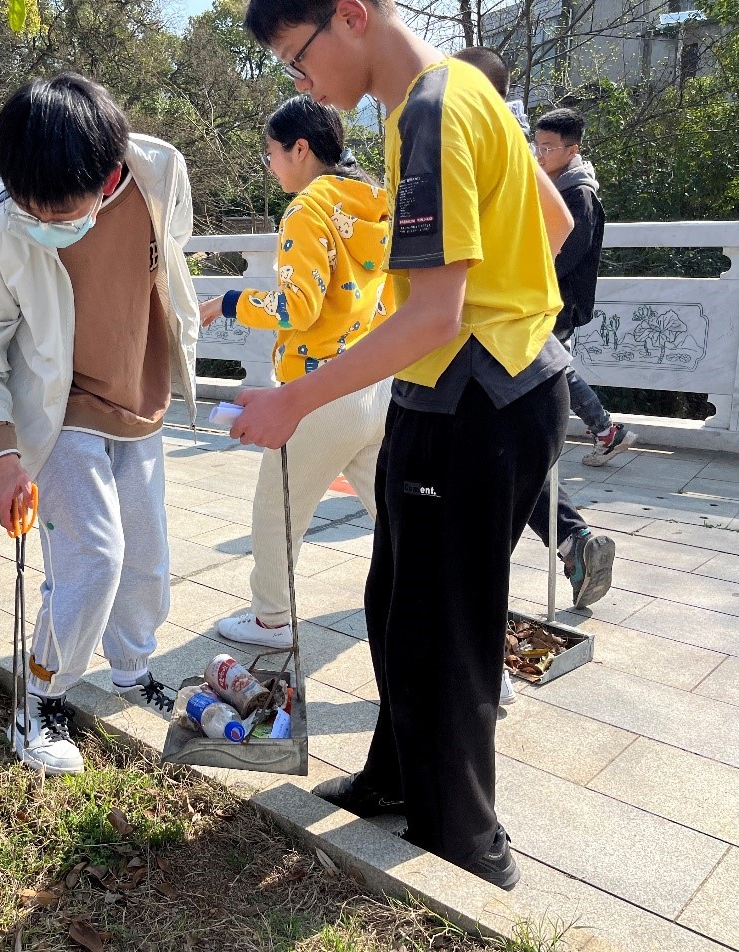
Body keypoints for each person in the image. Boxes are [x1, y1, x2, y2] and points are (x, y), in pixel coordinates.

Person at [236, 0, 578, 889]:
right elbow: (552, 226)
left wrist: (292, 401)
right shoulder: (465, 91)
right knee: (399, 601)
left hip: (472, 398)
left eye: (295, 59)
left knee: (445, 630)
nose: (301, 84)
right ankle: (394, 780)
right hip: (497, 387)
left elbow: (434, 309)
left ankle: (465, 845)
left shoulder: (425, 109)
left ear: (348, 16)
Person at [0, 73, 200, 776]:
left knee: (146, 561)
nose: (47, 224)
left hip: (139, 397)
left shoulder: (158, 172)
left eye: (64, 212)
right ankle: (42, 696)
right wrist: (3, 457)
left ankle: (130, 667)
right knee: (94, 558)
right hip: (53, 412)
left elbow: (169, 255)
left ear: (108, 171)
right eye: (33, 209)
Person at [451, 55, 618, 687]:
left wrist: (504, 290)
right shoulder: (522, 156)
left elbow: (557, 237)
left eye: (551, 145)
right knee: (517, 458)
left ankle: (486, 654)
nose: (541, 150)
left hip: (515, 335)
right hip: (524, 334)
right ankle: (572, 541)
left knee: (501, 466)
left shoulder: (563, 182)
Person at [202, 97, 393, 649]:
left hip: (319, 388)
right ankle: (460, 626)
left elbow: (298, 307)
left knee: (275, 510)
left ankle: (270, 621)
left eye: (272, 153)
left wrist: (233, 301)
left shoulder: (308, 209)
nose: (270, 164)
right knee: (397, 516)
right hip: (371, 378)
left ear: (300, 149)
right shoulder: (373, 200)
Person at [534, 107, 635, 467]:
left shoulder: (578, 194)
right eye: (537, 145)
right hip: (549, 293)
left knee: (552, 364)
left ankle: (606, 431)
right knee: (553, 363)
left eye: (548, 147)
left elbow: (567, 255)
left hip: (560, 297)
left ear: (571, 150)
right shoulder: (557, 186)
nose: (539, 154)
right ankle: (607, 432)